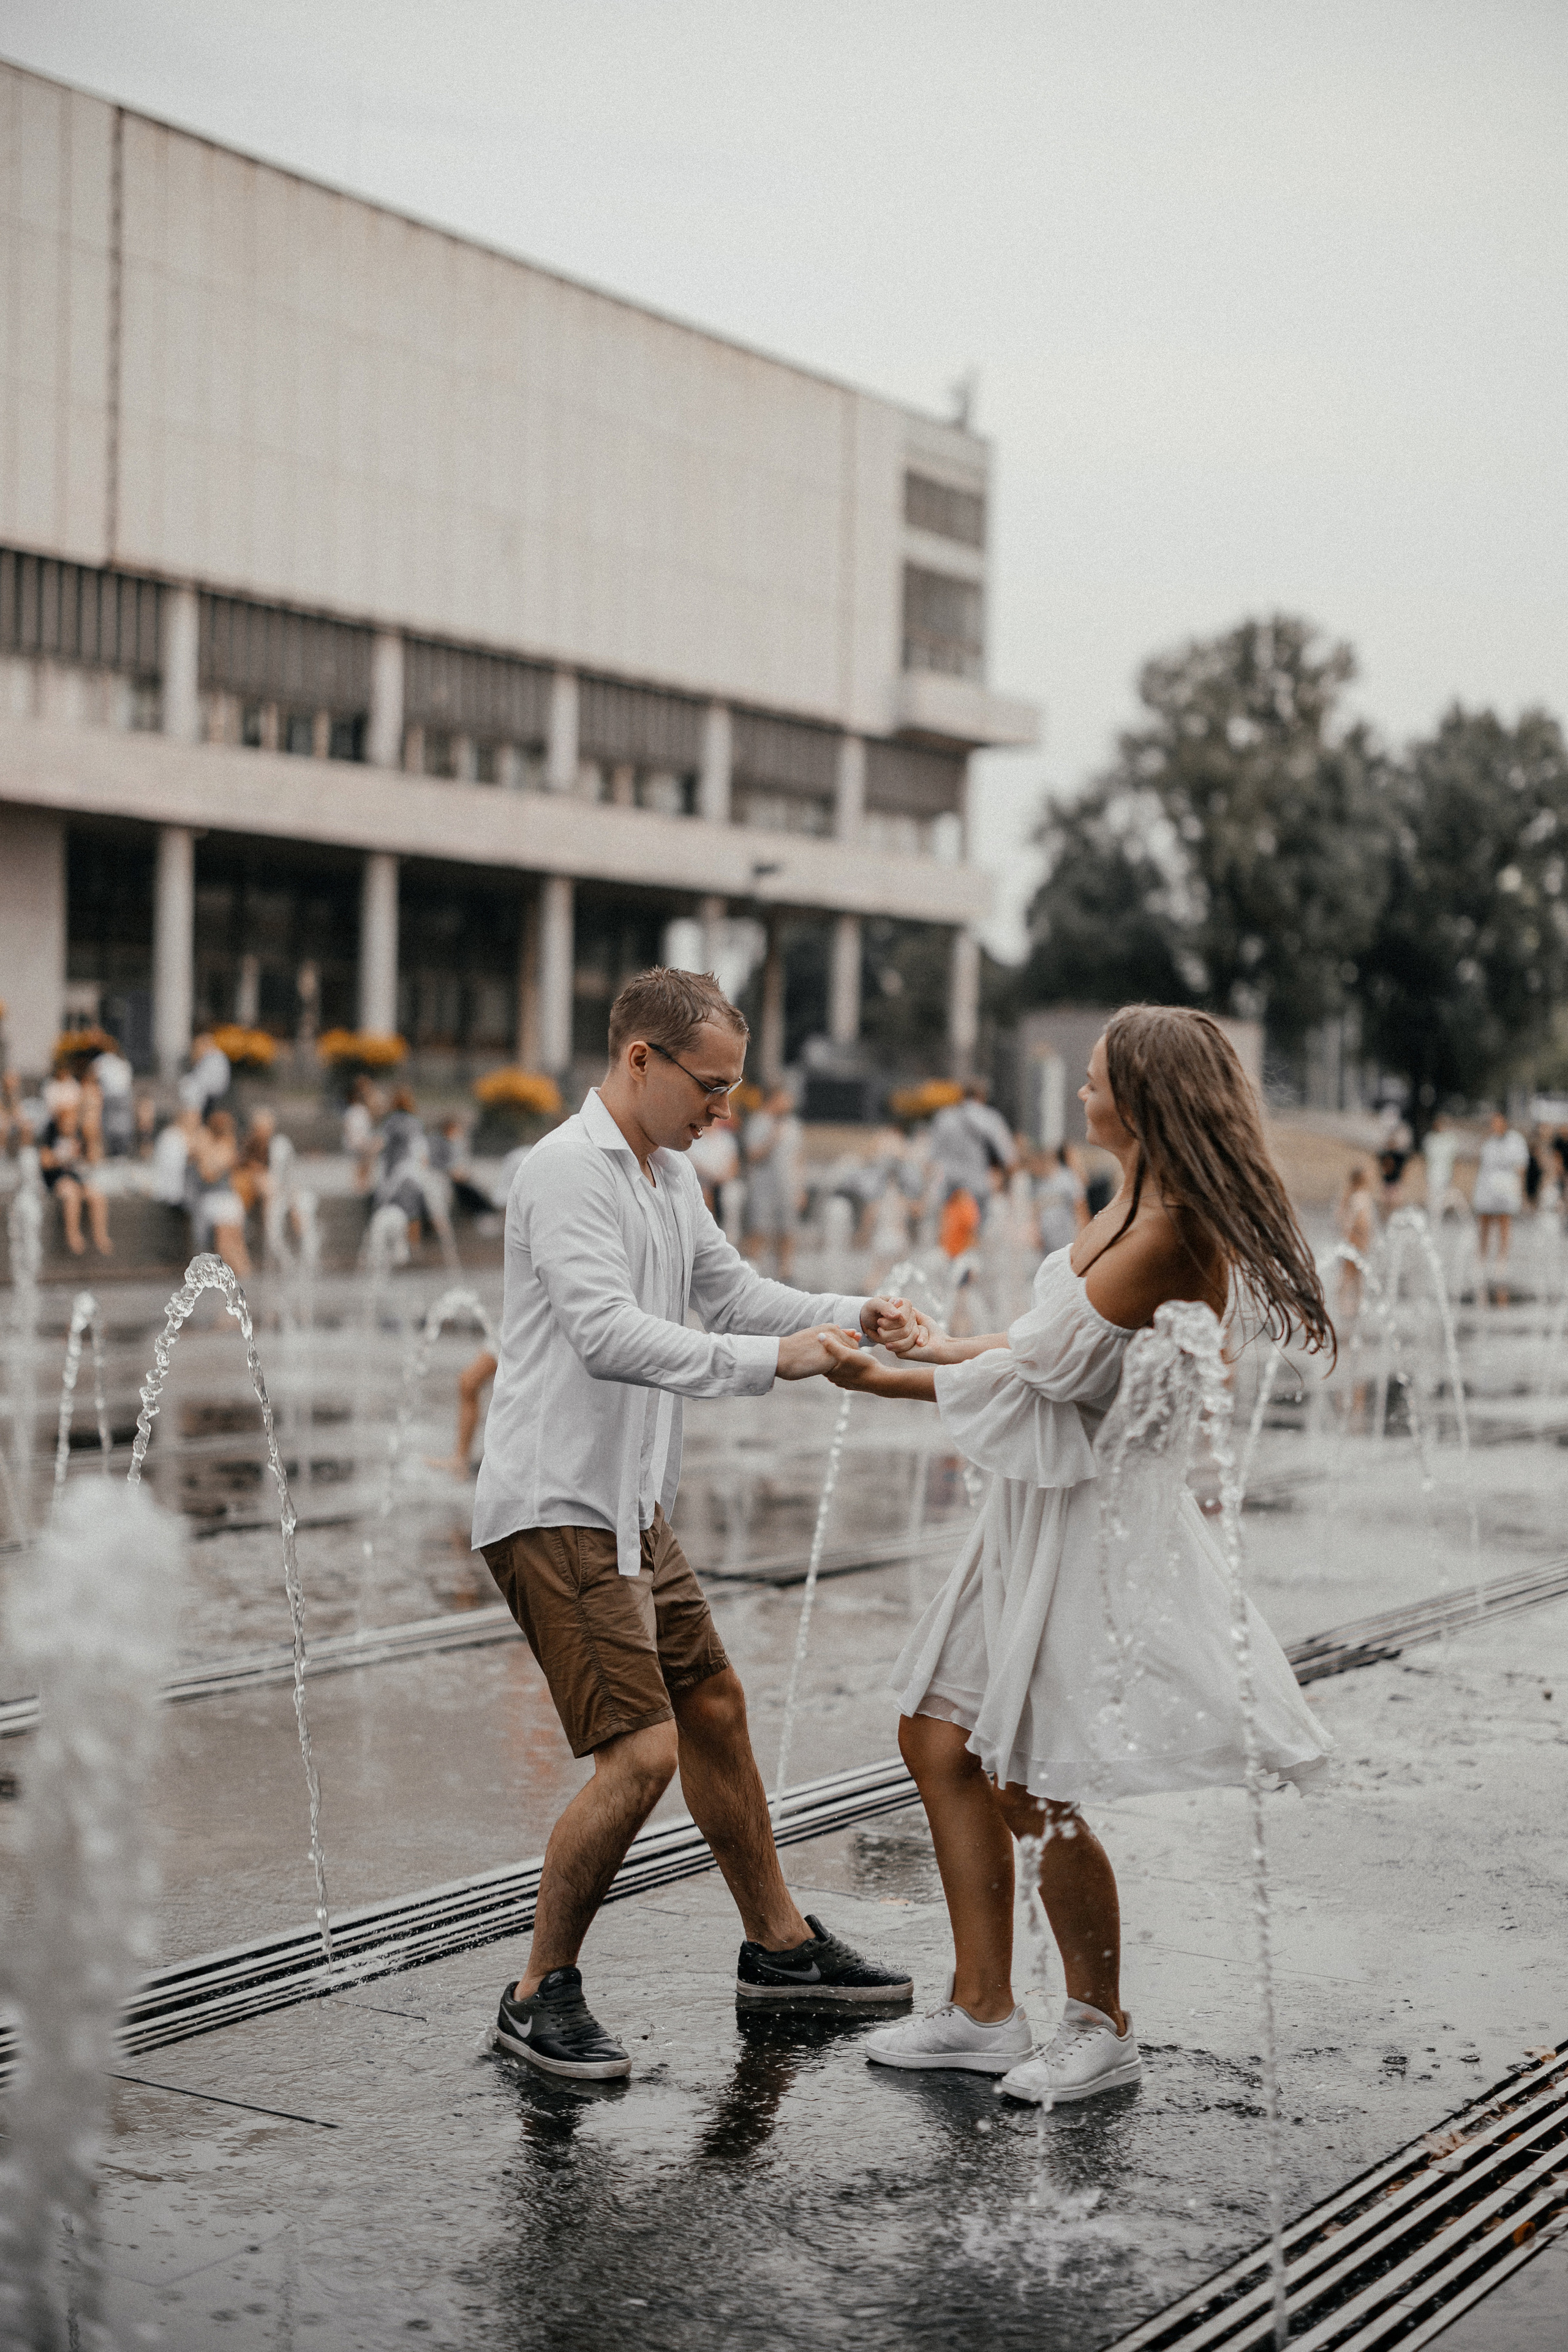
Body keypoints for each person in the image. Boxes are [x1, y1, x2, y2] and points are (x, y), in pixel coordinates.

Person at [816, 1006, 1332, 2108]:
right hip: (1035, 1507)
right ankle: (984, 2012)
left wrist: (884, 1379)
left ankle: (1101, 2027)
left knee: (1028, 1781)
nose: (1081, 1091)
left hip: (1088, 1524)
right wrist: (939, 1342)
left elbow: (1040, 1374)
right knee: (936, 1736)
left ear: (1139, 1103)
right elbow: (1045, 1343)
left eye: (1095, 1079)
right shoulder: (1129, 1200)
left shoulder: (1170, 1231)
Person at [472, 965, 923, 2081]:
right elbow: (607, 1333)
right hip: (557, 1505)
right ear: (641, 1059)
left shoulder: (667, 1175)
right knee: (641, 1759)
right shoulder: (567, 1173)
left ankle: (778, 1951)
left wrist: (843, 1312)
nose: (725, 1112)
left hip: (629, 1504)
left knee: (712, 1706)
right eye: (712, 1089)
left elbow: (730, 1294)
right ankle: (537, 1994)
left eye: (732, 1090)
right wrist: (778, 1365)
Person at [38, 1097, 112, 1255]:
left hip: (75, 1177)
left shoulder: (79, 1134)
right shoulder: (51, 1133)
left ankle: (100, 1235)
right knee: (72, 1195)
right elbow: (45, 1161)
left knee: (96, 1194)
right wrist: (64, 1156)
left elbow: (93, 1160)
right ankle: (73, 1236)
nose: (70, 1126)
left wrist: (93, 1137)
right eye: (67, 1122)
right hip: (56, 1178)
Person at [742, 1087, 803, 1277]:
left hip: (788, 1188)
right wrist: (772, 1138)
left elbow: (799, 1157)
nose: (789, 1103)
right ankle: (754, 1272)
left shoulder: (792, 1125)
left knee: (787, 1230)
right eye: (785, 1098)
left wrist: (800, 1188)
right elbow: (752, 1155)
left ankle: (786, 1273)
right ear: (775, 1098)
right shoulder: (757, 1122)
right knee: (759, 1229)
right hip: (763, 1188)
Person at [1472, 1110, 1529, 1303]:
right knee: (1485, 1226)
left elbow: (1520, 1167)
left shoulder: (1515, 1141)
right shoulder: (1489, 1144)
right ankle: (1481, 1261)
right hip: (1488, 1189)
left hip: (1506, 1189)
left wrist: (1519, 1190)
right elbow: (1483, 1168)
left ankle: (1501, 1263)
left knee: (1504, 1226)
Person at [188, 1109, 251, 1275]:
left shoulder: (226, 1143)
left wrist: (213, 1161)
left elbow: (209, 1172)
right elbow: (207, 1173)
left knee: (233, 1243)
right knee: (226, 1243)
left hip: (226, 1199)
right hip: (215, 1200)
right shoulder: (205, 1141)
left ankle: (244, 1281)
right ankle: (241, 1281)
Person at [432, 1348, 499, 1478]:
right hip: (504, 1333)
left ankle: (461, 1459)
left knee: (469, 1381)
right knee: (468, 1382)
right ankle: (461, 1458)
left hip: (519, 1335)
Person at [1034, 1145, 1087, 1257]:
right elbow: (1037, 1213)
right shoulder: (1039, 1185)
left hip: (1068, 1244)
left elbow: (1081, 1209)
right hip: (1048, 1249)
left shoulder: (1067, 1178)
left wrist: (1083, 1240)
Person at [92, 1043, 136, 1156]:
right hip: (118, 1099)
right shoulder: (122, 1063)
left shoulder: (105, 1061)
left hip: (114, 1099)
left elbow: (93, 1076)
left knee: (114, 1129)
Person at [179, 1030, 232, 1117]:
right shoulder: (213, 1058)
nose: (194, 1051)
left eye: (196, 1047)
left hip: (211, 1103)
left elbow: (202, 1085)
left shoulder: (213, 1059)